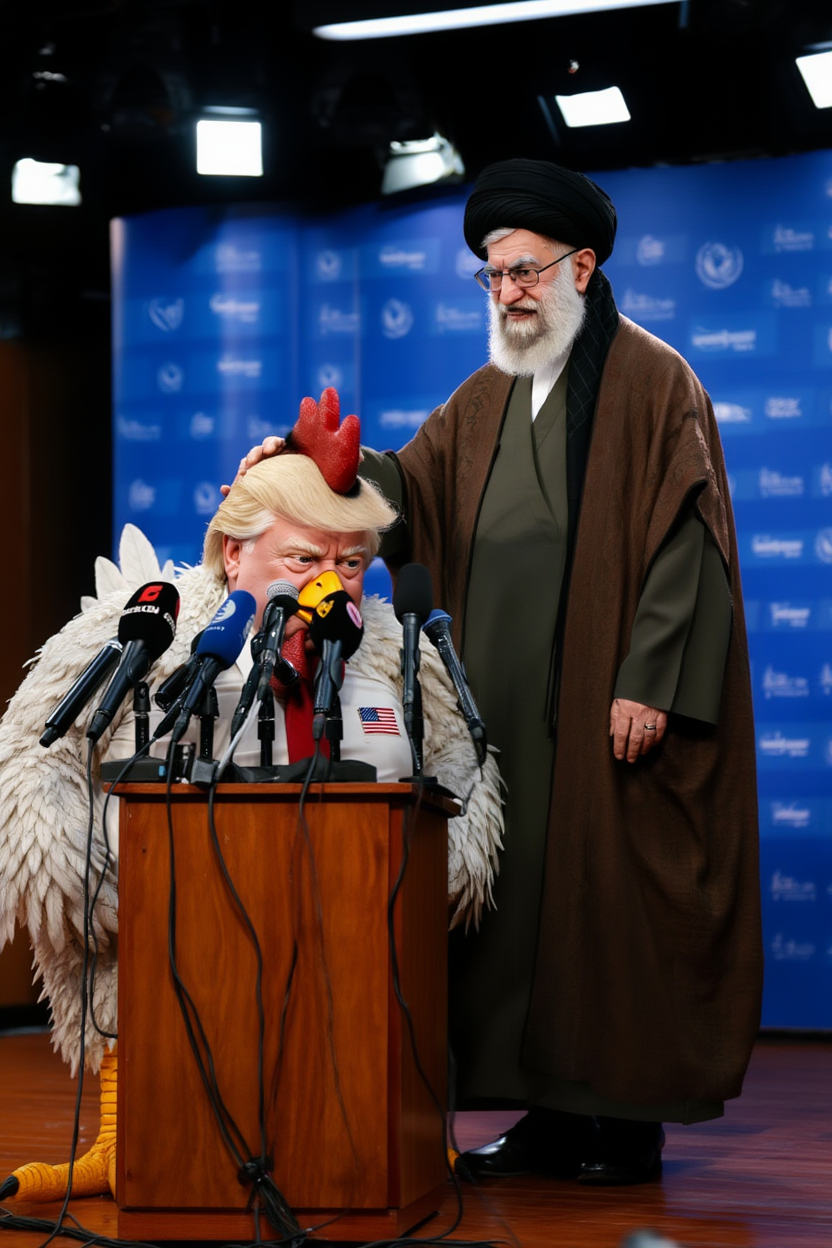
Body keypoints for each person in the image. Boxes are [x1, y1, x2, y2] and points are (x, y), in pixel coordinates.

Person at [238, 160, 763, 1186]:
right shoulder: (486, 395)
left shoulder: (656, 380)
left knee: (610, 907)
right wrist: (330, 469)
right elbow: (413, 489)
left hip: (607, 696)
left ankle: (626, 1123)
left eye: (524, 270)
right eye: (493, 274)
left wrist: (651, 679)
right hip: (503, 704)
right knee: (514, 912)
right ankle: (551, 1117)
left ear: (582, 267)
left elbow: (686, 540)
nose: (509, 292)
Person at [0, 392, 503, 1203]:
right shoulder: (148, 633)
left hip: (339, 929)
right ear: (234, 556)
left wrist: (427, 867)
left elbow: (460, 773)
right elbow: (33, 753)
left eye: (350, 564)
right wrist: (97, 877)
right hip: (169, 930)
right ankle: (123, 1134)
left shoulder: (395, 653)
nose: (330, 585)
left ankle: (389, 1130)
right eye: (302, 559)